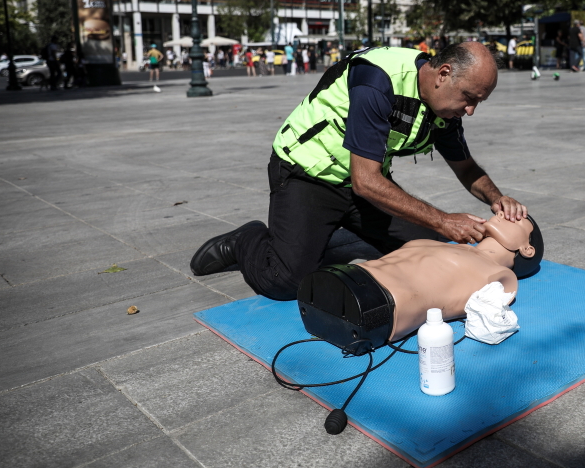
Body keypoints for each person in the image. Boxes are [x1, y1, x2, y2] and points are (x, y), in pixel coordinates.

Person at [189, 42, 529, 302]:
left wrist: (498, 199)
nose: (470, 111)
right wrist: (442, 219)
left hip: (362, 182)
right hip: (307, 173)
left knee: (430, 251)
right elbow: (366, 182)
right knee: (286, 281)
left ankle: (325, 231)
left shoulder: (445, 108)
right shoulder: (378, 80)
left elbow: (465, 166)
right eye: (469, 98)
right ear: (443, 74)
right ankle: (246, 239)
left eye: (478, 102)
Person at [314, 212, 542, 344]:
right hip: (348, 278)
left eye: (517, 219)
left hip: (377, 306)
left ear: (527, 249)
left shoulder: (501, 277)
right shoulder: (457, 247)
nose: (504, 213)